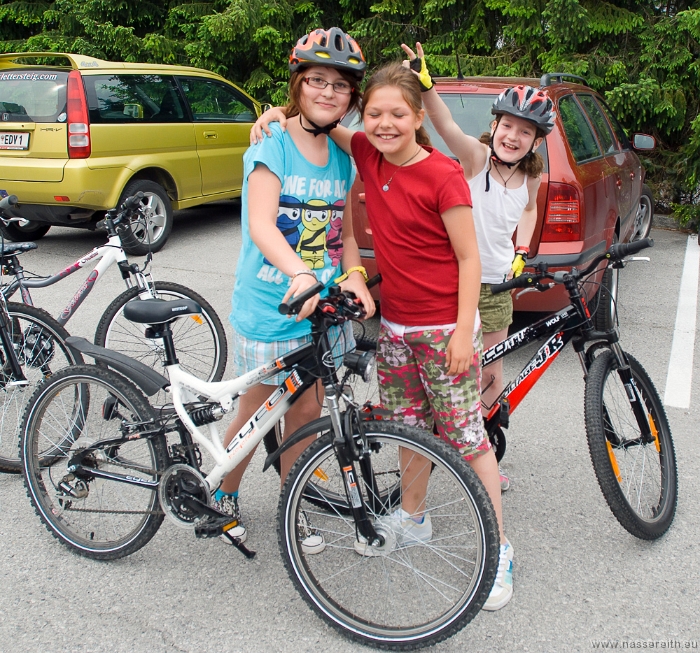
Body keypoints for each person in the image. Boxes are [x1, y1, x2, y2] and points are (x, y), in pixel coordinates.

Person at [252, 62, 513, 611]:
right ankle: (413, 519)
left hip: (444, 331)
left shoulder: (442, 173)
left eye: (398, 113)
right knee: (409, 430)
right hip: (394, 327)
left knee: (468, 440)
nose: (385, 123)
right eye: (374, 113)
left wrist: (465, 333)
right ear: (361, 116)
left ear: (419, 117)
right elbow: (316, 124)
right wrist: (277, 115)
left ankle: (500, 551)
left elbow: (469, 259)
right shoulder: (368, 152)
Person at [216, 27, 375, 551]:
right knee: (257, 417)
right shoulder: (272, 145)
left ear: (352, 96)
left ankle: (291, 506)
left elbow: (345, 234)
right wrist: (299, 273)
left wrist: (351, 275)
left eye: (340, 86)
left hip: (321, 312)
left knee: (306, 418)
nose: (328, 93)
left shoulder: (342, 157)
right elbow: (261, 224)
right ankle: (222, 494)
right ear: (298, 84)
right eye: (317, 81)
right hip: (271, 304)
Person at [402, 43, 555, 493]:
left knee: (491, 371)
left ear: (535, 141)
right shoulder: (474, 159)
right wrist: (427, 85)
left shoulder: (531, 176)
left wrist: (521, 250)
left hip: (497, 287)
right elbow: (445, 125)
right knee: (447, 369)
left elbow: (528, 211)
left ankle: (483, 448)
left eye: (524, 132)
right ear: (495, 126)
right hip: (453, 285)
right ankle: (430, 443)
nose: (513, 136)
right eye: (507, 126)